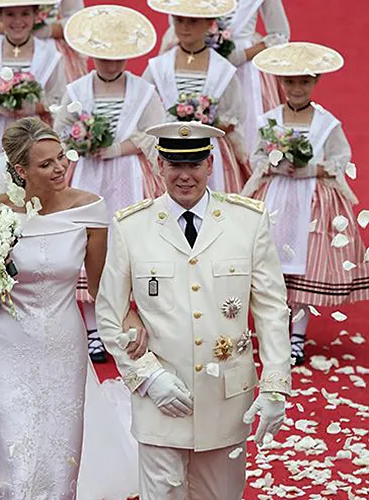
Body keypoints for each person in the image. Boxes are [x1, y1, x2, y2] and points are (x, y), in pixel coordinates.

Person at [0, 117, 147, 499]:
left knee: (61, 455)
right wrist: (0, 256)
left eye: (61, 159)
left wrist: (133, 314)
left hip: (63, 343)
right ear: (20, 170)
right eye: (46, 164)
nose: (59, 169)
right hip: (7, 346)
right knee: (16, 452)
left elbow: (102, 286)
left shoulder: (89, 210)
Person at [96, 121, 292, 500]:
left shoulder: (248, 221)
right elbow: (109, 312)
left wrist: (275, 386)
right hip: (160, 401)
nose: (184, 176)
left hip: (226, 400)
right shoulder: (130, 226)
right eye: (175, 165)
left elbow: (270, 309)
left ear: (210, 164)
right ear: (159, 166)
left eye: (194, 164)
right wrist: (148, 377)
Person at [242, 42, 369, 364]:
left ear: (315, 83)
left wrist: (313, 169)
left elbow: (342, 158)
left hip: (310, 202)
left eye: (304, 81)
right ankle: (273, 330)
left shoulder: (326, 122)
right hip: (275, 198)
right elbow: (255, 155)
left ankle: (297, 335)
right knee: (271, 266)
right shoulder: (268, 120)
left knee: (303, 265)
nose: (297, 88)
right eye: (290, 81)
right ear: (281, 83)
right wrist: (273, 164)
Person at [54, 5, 166, 362]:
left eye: (119, 57)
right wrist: (79, 143)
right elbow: (59, 136)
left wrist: (119, 147)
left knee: (131, 243)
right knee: (84, 243)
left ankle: (134, 320)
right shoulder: (75, 89)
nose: (111, 63)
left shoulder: (144, 91)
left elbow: (155, 135)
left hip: (130, 174)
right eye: (103, 56)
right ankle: (93, 328)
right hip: (85, 175)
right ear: (90, 54)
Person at [144, 0, 251, 194]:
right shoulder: (159, 66)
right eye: (179, 20)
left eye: (193, 21)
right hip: (169, 149)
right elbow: (143, 104)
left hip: (211, 150)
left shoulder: (222, 69)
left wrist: (208, 121)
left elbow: (235, 114)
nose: (185, 27)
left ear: (209, 23)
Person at [158, 0, 290, 153]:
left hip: (245, 70)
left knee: (243, 127)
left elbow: (280, 34)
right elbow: (177, 21)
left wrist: (241, 55)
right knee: (189, 121)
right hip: (195, 62)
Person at [0, 0, 66, 153]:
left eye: (25, 13)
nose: (18, 21)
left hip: (35, 134)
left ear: (36, 15)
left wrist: (36, 107)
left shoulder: (51, 56)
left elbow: (59, 102)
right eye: (10, 14)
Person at [0, 0, 87, 82]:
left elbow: (76, 21)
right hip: (2, 44)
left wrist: (47, 30)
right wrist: (14, 29)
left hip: (48, 45)